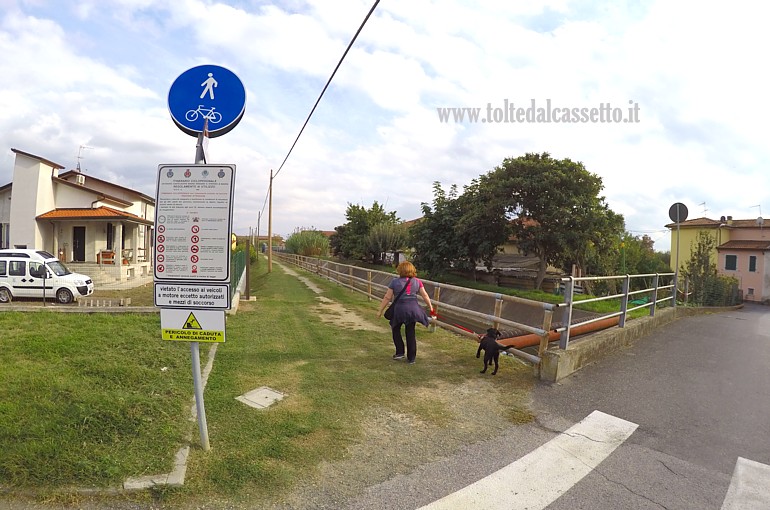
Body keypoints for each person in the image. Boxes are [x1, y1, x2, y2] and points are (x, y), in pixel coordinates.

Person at [377, 261, 434, 364]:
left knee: (395, 328)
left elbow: (387, 297)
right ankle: (411, 358)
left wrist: (380, 310)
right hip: (413, 309)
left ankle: (400, 352)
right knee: (410, 332)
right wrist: (430, 307)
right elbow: (425, 295)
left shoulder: (394, 282)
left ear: (400, 270)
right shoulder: (417, 281)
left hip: (399, 309)